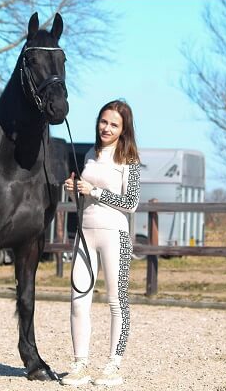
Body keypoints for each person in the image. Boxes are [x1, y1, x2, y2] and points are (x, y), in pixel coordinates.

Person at [61, 99, 140, 387]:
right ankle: (79, 364)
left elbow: (131, 203)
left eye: (114, 124)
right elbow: (83, 199)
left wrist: (94, 191)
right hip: (85, 234)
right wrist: (74, 191)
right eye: (103, 121)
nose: (106, 128)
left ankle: (113, 365)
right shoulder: (89, 155)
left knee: (117, 301)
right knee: (78, 300)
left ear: (123, 129)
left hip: (114, 235)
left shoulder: (129, 160)